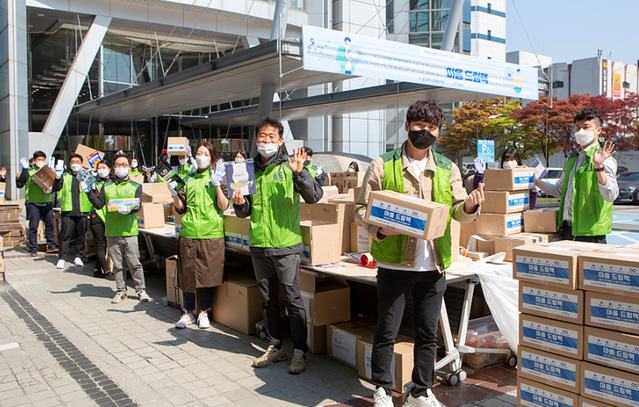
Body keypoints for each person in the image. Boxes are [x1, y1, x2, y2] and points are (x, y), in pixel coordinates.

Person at [354, 100, 484, 407]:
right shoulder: (382, 165)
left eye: (432, 127)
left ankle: (420, 390)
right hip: (394, 262)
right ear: (407, 126)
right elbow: (361, 210)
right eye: (419, 126)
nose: (425, 132)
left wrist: (470, 205)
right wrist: (380, 230)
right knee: (388, 329)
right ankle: (382, 389)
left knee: (429, 333)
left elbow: (457, 211)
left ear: (439, 131)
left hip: (433, 265)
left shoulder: (446, 167)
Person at [232, 116, 323, 375]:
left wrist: (301, 173)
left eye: (272, 136)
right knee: (268, 300)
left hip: (286, 245)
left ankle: (300, 350)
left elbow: (315, 196)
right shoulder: (246, 170)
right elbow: (244, 212)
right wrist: (239, 203)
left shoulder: (292, 166)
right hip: (259, 244)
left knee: (293, 300)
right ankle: (275, 346)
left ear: (281, 140)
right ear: (256, 139)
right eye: (262, 136)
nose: (267, 140)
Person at [535, 108, 618, 243]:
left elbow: (611, 194)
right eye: (577, 128)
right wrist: (533, 180)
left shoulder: (604, 159)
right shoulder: (571, 159)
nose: (581, 132)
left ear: (598, 130)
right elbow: (559, 191)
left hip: (591, 232)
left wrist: (598, 167)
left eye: (586, 127)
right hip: (568, 229)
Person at [169, 142, 228, 329]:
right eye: (198, 153)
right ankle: (188, 312)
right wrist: (174, 194)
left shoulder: (218, 177)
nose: (201, 156)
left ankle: (204, 312)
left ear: (212, 157)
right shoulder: (188, 179)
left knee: (209, 274)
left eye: (205, 153)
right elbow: (180, 209)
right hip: (189, 232)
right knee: (187, 274)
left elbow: (224, 205)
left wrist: (217, 184)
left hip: (211, 233)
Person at [85, 151, 150, 304]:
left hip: (129, 231)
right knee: (117, 265)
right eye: (118, 165)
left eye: (124, 165)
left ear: (129, 167)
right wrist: (88, 193)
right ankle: (121, 290)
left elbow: (138, 205)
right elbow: (99, 204)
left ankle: (141, 289)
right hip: (112, 231)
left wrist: (130, 210)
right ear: (113, 167)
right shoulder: (106, 187)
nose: (121, 167)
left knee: (134, 263)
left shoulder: (136, 186)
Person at [53, 154, 91, 269]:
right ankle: (62, 257)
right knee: (65, 235)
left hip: (82, 210)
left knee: (81, 235)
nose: (75, 164)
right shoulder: (65, 176)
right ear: (69, 164)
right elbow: (57, 188)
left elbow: (93, 189)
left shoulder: (86, 176)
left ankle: (78, 256)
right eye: (73, 161)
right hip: (68, 210)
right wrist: (57, 177)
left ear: (81, 163)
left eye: (77, 161)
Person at [16, 151, 58, 257]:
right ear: (34, 161)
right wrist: (24, 169)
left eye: (42, 160)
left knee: (49, 225)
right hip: (34, 203)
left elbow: (56, 185)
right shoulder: (30, 171)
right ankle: (34, 248)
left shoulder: (48, 171)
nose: (41, 162)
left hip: (47, 202)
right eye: (39, 160)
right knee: (33, 226)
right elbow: (21, 183)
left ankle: (51, 246)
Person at [90, 160, 114, 280]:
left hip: (109, 217)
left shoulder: (113, 183)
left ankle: (96, 270)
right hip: (97, 216)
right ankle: (107, 270)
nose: (101, 170)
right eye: (99, 168)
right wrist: (92, 189)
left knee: (106, 244)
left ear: (109, 168)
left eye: (104, 167)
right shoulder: (94, 183)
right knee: (101, 244)